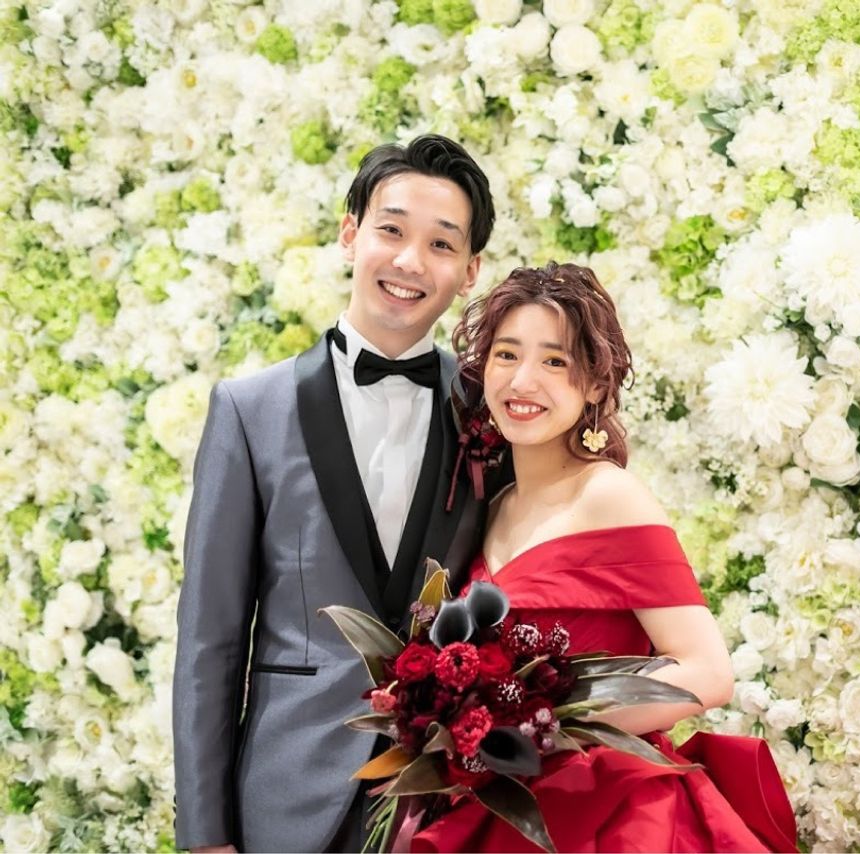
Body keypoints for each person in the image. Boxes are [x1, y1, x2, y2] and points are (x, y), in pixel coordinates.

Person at [173, 134, 506, 853]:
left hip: (444, 803)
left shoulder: (492, 413)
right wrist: (205, 835)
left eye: (441, 244)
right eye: (391, 230)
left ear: (470, 270)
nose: (410, 261)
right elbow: (209, 640)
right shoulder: (249, 411)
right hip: (284, 797)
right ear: (350, 234)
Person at [410, 262, 797, 852]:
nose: (523, 380)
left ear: (594, 385)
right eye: (507, 354)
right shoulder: (494, 504)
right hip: (508, 807)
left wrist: (541, 724)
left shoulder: (609, 496)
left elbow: (707, 673)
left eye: (554, 361)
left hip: (609, 810)